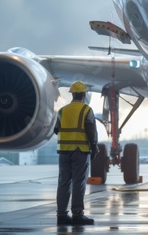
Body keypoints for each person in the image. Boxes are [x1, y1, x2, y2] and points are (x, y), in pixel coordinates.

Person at [54, 81, 99, 225]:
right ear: (84, 94)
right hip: (81, 151)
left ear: (72, 94)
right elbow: (91, 132)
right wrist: (95, 147)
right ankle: (77, 214)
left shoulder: (62, 110)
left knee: (63, 183)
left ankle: (61, 215)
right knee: (78, 183)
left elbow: (56, 129)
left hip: (63, 152)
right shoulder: (87, 110)